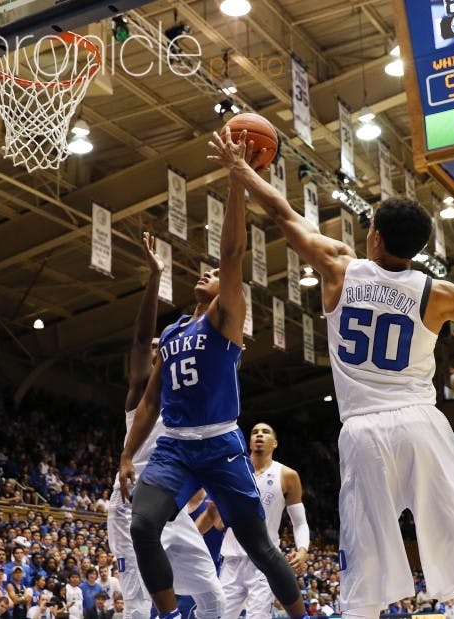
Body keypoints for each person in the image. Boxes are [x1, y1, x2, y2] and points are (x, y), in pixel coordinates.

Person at [208, 129, 454, 619]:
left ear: (374, 236)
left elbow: (282, 214)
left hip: (363, 432)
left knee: (365, 574)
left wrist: (241, 170)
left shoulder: (340, 267)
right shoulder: (437, 293)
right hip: (421, 424)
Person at [119, 131, 307, 619]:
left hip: (221, 444)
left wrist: (236, 180)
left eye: (215, 273)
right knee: (142, 526)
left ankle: (300, 615)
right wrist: (126, 456)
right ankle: (168, 615)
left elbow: (231, 253)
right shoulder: (173, 332)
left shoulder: (225, 319)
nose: (207, 272)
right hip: (175, 448)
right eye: (203, 272)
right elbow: (149, 402)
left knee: (260, 547)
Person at [107, 232, 225, 619]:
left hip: (171, 507)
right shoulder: (141, 392)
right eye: (158, 347)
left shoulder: (189, 389)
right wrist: (155, 276)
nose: (160, 348)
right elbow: (142, 339)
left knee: (214, 597)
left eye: (166, 345)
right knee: (138, 605)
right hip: (132, 503)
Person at [220, 423, 310, 619]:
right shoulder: (234, 471)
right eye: (255, 432)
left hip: (264, 560)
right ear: (249, 442)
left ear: (275, 443)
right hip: (232, 559)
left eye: (265, 432)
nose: (259, 435)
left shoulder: (287, 475)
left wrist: (303, 550)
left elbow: (300, 523)